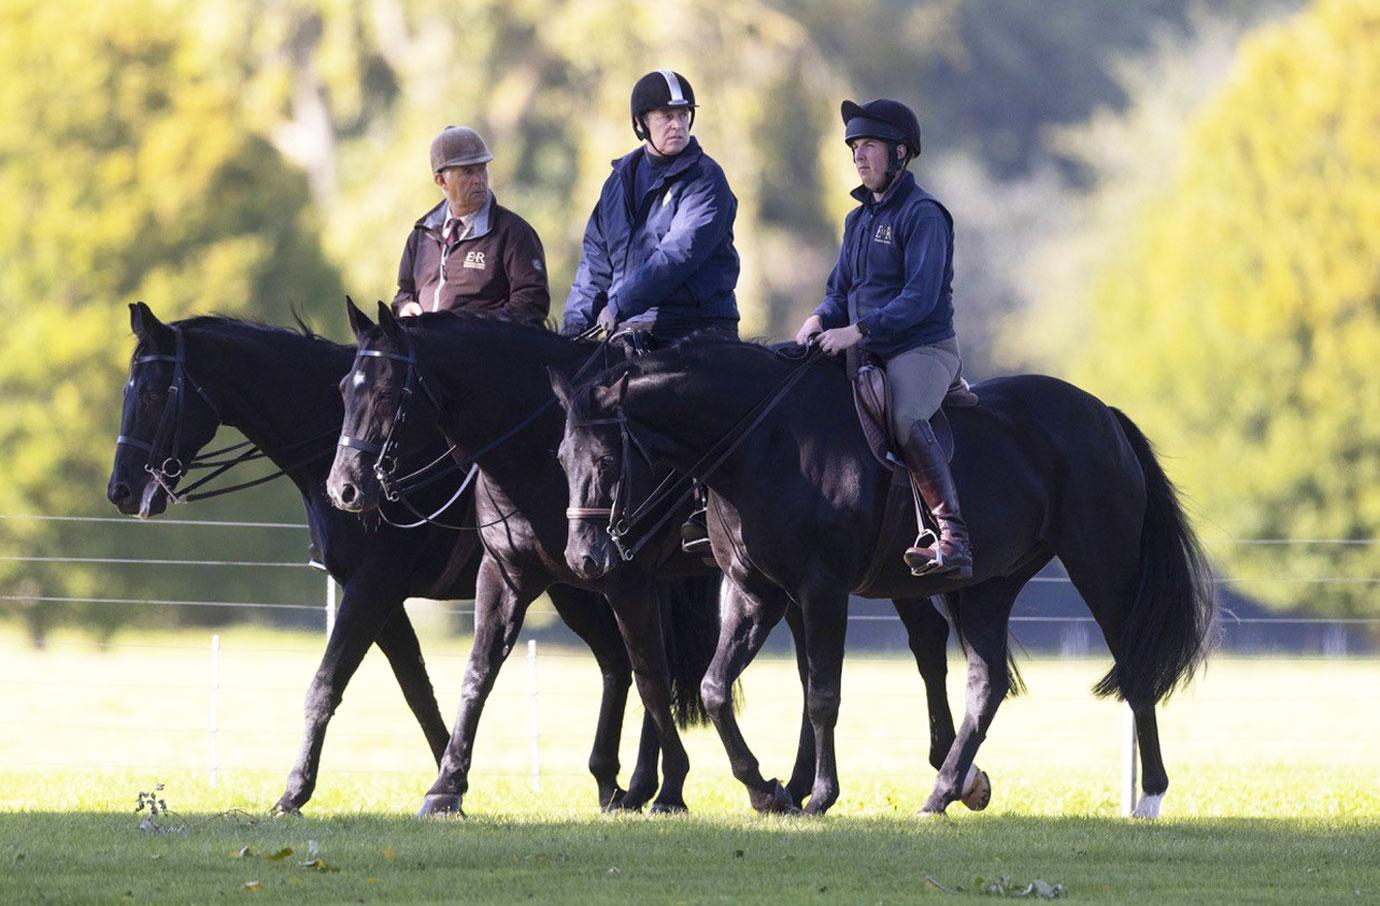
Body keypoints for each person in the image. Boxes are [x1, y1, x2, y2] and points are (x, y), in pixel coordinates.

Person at [563, 70, 741, 553]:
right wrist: (575, 326)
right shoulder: (617, 183)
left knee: (699, 413)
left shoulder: (707, 181)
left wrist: (620, 304)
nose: (677, 125)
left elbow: (678, 255)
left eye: (683, 115)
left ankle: (708, 514)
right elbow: (595, 260)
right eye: (666, 116)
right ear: (641, 123)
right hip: (631, 331)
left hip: (696, 328)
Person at [794, 98, 972, 580]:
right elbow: (840, 292)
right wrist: (817, 318)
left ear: (899, 153)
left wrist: (857, 331)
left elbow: (918, 298)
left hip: (922, 348)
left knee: (906, 414)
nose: (858, 155)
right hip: (867, 346)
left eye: (868, 145)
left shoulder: (925, 215)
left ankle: (953, 537)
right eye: (854, 146)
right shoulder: (858, 220)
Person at [392, 126, 549, 325]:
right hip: (424, 350)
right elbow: (404, 292)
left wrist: (471, 330)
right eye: (467, 172)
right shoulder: (421, 235)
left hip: (486, 353)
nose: (479, 180)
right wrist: (405, 306)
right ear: (441, 181)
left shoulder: (514, 233)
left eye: (482, 169)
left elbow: (532, 303)